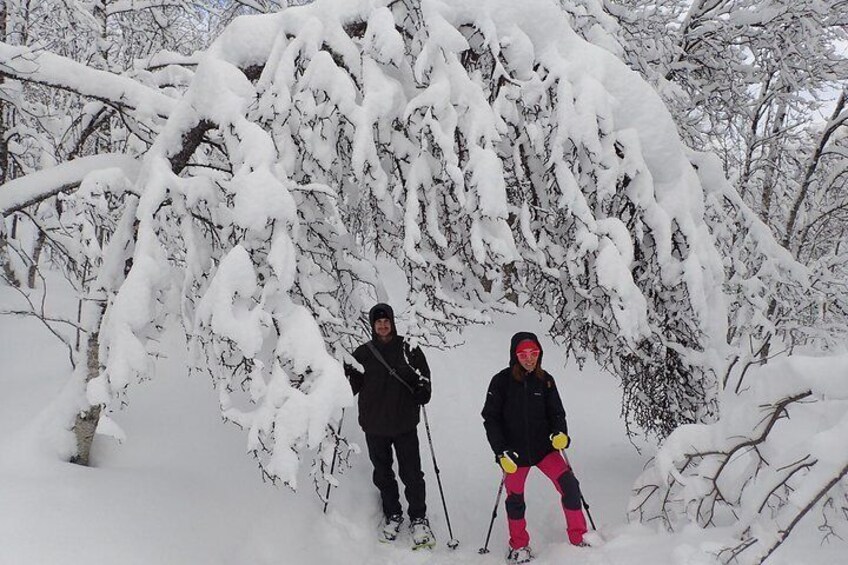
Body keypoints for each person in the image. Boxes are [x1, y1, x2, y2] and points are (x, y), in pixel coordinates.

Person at [481, 332, 588, 564]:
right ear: (514, 355)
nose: (529, 359)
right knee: (515, 499)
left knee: (570, 486)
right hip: (515, 455)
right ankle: (518, 546)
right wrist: (501, 452)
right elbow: (490, 418)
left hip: (544, 450)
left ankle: (579, 537)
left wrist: (560, 434)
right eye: (523, 354)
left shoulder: (545, 380)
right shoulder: (501, 382)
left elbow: (556, 412)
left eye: (534, 353)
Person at [344, 303, 435, 548]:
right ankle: (393, 514)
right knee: (383, 474)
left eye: (386, 321)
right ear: (373, 325)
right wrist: (342, 377)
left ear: (392, 322)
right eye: (378, 322)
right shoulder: (362, 353)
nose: (383, 325)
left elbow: (424, 376)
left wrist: (423, 390)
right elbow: (351, 388)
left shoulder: (409, 348)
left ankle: (418, 518)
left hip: (404, 422)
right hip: (374, 425)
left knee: (412, 474)